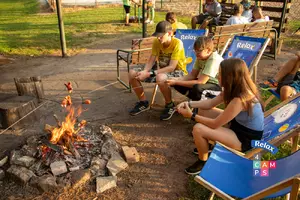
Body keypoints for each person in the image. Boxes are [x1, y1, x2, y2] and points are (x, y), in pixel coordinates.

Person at [177, 58, 264, 174]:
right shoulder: (235, 88)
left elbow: (215, 124)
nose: (217, 76)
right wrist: (189, 103)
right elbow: (209, 104)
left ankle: (203, 161)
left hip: (245, 139)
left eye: (220, 74)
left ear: (230, 77)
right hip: (238, 125)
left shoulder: (240, 98)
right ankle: (206, 146)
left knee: (198, 129)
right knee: (203, 110)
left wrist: (191, 115)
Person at [128, 21, 187, 120]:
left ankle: (169, 105)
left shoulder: (177, 43)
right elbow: (151, 59)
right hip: (161, 70)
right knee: (132, 73)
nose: (158, 38)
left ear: (169, 33)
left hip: (178, 72)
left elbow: (172, 67)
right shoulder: (157, 41)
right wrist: (145, 71)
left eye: (161, 36)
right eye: (157, 36)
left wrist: (149, 74)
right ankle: (143, 103)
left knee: (160, 77)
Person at [166, 36, 223, 105]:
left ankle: (197, 106)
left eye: (199, 51)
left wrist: (176, 82)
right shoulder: (200, 57)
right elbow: (192, 75)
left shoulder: (213, 59)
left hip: (218, 85)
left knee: (197, 87)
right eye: (195, 51)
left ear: (208, 50)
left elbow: (201, 82)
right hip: (206, 83)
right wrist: (176, 79)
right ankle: (193, 101)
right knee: (178, 83)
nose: (196, 54)